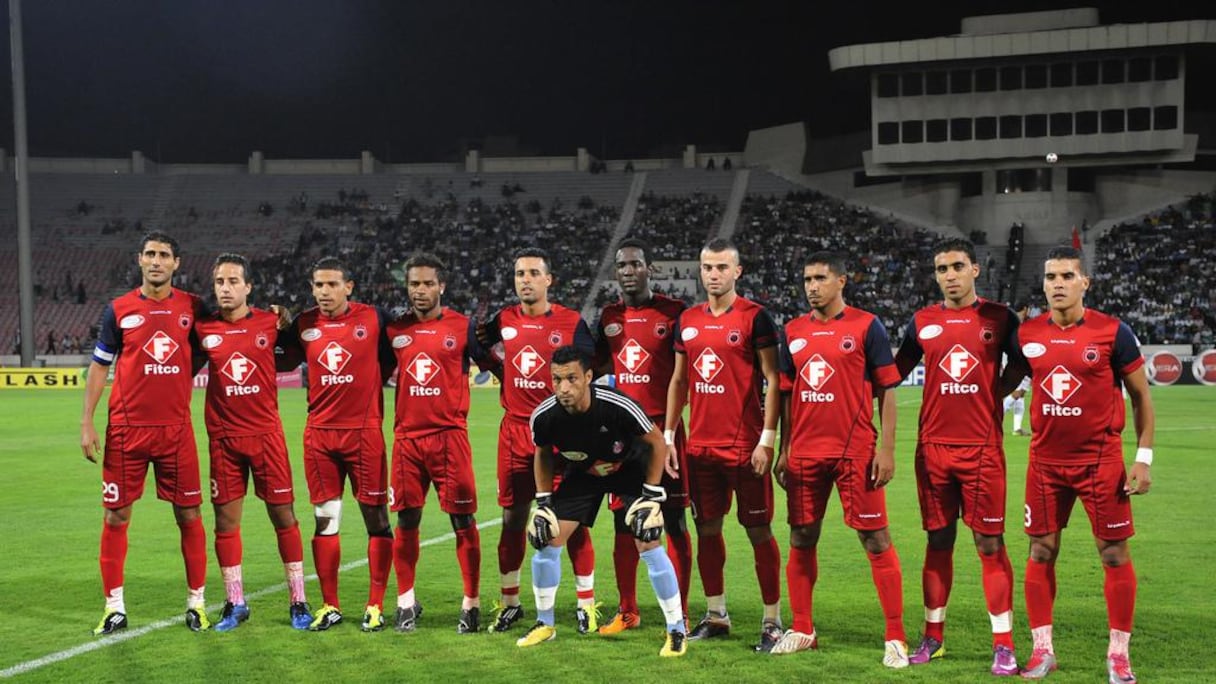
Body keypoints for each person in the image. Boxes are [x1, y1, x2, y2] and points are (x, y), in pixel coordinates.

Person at [1005, 246, 1155, 683]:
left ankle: (1118, 655)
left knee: (1112, 554)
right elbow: (1005, 384)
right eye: (1050, 276)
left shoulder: (1113, 332)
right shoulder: (1026, 334)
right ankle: (1042, 651)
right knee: (1040, 550)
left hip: (1100, 462)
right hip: (1045, 463)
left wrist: (1142, 458)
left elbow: (1143, 396)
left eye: (1067, 276)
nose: (1057, 284)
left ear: (1084, 282)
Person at [771, 251, 908, 667]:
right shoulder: (792, 330)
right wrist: (785, 448)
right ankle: (803, 628)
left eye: (819, 278)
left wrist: (886, 449)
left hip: (856, 452)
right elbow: (787, 395)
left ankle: (896, 636)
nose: (811, 286)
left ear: (841, 281)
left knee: (875, 538)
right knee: (801, 537)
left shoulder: (867, 326)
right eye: (806, 279)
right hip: (806, 454)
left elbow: (886, 390)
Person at [893, 238, 1021, 674]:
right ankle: (933, 637)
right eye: (942, 268)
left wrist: (996, 394)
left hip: (982, 448)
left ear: (975, 270)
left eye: (957, 266)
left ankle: (1003, 643)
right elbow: (893, 372)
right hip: (932, 450)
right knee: (938, 540)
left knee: (989, 543)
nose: (949, 275)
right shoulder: (922, 322)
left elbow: (1022, 363)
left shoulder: (1000, 318)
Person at [516, 346, 687, 657]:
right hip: (584, 475)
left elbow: (656, 442)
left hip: (629, 469)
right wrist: (542, 503)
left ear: (588, 377)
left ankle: (676, 629)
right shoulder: (545, 416)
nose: (564, 388)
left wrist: (651, 496)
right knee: (546, 538)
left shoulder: (617, 405)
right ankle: (545, 623)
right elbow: (541, 453)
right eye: (557, 380)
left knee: (648, 541)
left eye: (572, 378)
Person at [81, 231, 210, 635]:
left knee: (189, 514)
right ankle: (114, 607)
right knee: (116, 515)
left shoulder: (193, 308)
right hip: (126, 430)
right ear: (140, 260)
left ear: (177, 263)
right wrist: (87, 420)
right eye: (150, 254)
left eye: (164, 255)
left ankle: (197, 603)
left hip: (175, 430)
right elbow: (101, 366)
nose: (156, 261)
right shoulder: (117, 310)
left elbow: (210, 347)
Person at [664, 238, 784, 652]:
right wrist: (668, 435)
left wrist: (767, 439)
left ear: (737, 272)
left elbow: (773, 379)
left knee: (758, 531)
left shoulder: (756, 318)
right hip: (701, 449)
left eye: (720, 267)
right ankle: (717, 615)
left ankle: (772, 620)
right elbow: (679, 381)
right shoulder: (688, 320)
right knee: (707, 530)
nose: (712, 275)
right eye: (706, 267)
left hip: (745, 446)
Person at [478, 247, 599, 633]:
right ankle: (511, 601)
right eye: (519, 274)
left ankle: (586, 603)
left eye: (533, 273)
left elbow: (590, 370)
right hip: (514, 431)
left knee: (574, 520)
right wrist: (496, 368)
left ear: (549, 280)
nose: (525, 280)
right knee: (513, 518)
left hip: (560, 434)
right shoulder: (504, 320)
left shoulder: (571, 322)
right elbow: (481, 345)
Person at [194, 253, 312, 632]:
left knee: (284, 517)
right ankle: (235, 602)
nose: (225, 288)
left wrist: (288, 316)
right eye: (219, 282)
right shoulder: (202, 329)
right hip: (224, 440)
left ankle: (299, 601)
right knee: (226, 524)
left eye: (233, 281)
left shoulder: (269, 322)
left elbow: (295, 352)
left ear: (248, 287)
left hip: (266, 438)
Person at [279, 256, 398, 632]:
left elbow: (391, 359)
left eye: (332, 284)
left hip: (364, 434)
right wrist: (275, 326)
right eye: (318, 285)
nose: (324, 292)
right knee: (325, 520)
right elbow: (281, 362)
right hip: (320, 436)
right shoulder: (304, 324)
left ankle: (375, 604)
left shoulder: (373, 318)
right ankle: (330, 605)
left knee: (376, 519)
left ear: (349, 286)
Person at [593, 238, 692, 634]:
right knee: (622, 523)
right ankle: (628, 610)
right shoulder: (609, 318)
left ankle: (680, 612)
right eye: (622, 265)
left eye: (635, 264)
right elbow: (592, 364)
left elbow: (685, 374)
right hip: (624, 437)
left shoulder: (674, 313)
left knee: (673, 520)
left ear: (649, 269)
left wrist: (670, 429)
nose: (628, 271)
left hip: (664, 432)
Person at [385, 253, 483, 633]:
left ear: (442, 286)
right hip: (406, 439)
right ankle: (406, 601)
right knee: (406, 518)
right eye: (414, 284)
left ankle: (470, 603)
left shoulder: (462, 327)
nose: (420, 290)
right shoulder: (395, 330)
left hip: (449, 438)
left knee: (463, 520)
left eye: (428, 283)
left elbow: (494, 363)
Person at [1003, 302, 1031, 436]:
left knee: (1020, 397)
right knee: (1018, 394)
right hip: (1019, 364)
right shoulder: (1018, 324)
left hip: (1015, 363)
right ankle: (994, 416)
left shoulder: (1010, 321)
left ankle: (1017, 428)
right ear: (1026, 309)